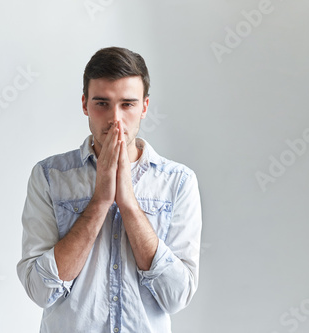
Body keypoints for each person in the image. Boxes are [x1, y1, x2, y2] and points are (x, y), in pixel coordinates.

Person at [17, 46, 202, 333]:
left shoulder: (178, 182)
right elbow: (40, 290)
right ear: (84, 104)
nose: (115, 118)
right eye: (102, 103)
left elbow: (176, 296)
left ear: (144, 107)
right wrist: (100, 202)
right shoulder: (49, 177)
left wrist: (128, 204)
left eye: (127, 104)